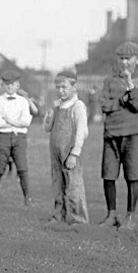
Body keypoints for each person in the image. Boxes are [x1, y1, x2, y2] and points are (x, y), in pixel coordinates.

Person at [98, 41, 138, 230]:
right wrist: (122, 100)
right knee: (108, 175)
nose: (124, 62)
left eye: (128, 58)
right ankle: (111, 215)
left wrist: (129, 85)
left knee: (132, 176)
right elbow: (104, 106)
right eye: (121, 58)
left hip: (133, 135)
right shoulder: (108, 81)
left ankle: (130, 217)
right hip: (111, 134)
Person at [43, 71, 89, 225]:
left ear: (75, 87)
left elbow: (82, 132)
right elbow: (47, 128)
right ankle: (58, 216)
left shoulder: (78, 106)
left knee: (73, 185)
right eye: (58, 87)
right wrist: (51, 112)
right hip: (55, 151)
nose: (60, 90)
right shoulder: (57, 106)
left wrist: (74, 154)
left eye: (64, 87)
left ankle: (78, 219)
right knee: (57, 184)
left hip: (69, 152)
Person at [0, 69, 33, 206]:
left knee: (22, 168)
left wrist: (9, 120)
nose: (9, 86)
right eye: (6, 84)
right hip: (3, 137)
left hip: (19, 138)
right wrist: (15, 122)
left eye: (12, 84)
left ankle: (27, 198)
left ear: (17, 86)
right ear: (3, 85)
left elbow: (26, 122)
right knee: (0, 168)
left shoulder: (23, 102)